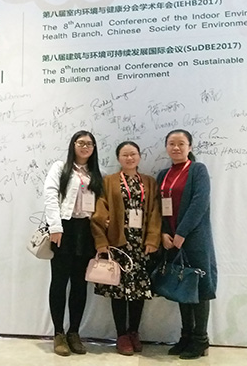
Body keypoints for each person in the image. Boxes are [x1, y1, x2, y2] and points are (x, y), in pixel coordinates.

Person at [90, 141, 161, 356]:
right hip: (117, 244)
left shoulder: (149, 182)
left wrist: (152, 239)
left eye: (133, 154)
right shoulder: (109, 181)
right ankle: (121, 335)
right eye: (124, 155)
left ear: (139, 156)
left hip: (141, 244)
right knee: (118, 290)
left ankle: (134, 332)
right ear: (118, 158)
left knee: (139, 290)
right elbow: (99, 211)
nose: (129, 158)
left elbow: (156, 212)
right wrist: (102, 241)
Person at [156, 129, 218, 360]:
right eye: (171, 143)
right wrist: (164, 232)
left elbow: (199, 202)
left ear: (190, 147)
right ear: (166, 147)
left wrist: (182, 232)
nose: (176, 147)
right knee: (182, 284)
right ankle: (186, 336)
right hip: (171, 239)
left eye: (181, 143)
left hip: (195, 239)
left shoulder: (198, 170)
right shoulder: (163, 175)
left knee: (199, 286)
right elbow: (160, 206)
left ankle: (201, 340)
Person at [43, 130, 104, 356]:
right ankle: (58, 333)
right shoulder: (61, 168)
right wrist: (55, 227)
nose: (85, 147)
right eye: (81, 143)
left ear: (94, 148)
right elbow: (50, 195)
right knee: (59, 282)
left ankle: (74, 333)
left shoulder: (97, 173)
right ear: (73, 145)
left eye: (90, 144)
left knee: (80, 284)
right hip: (64, 229)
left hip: (87, 231)